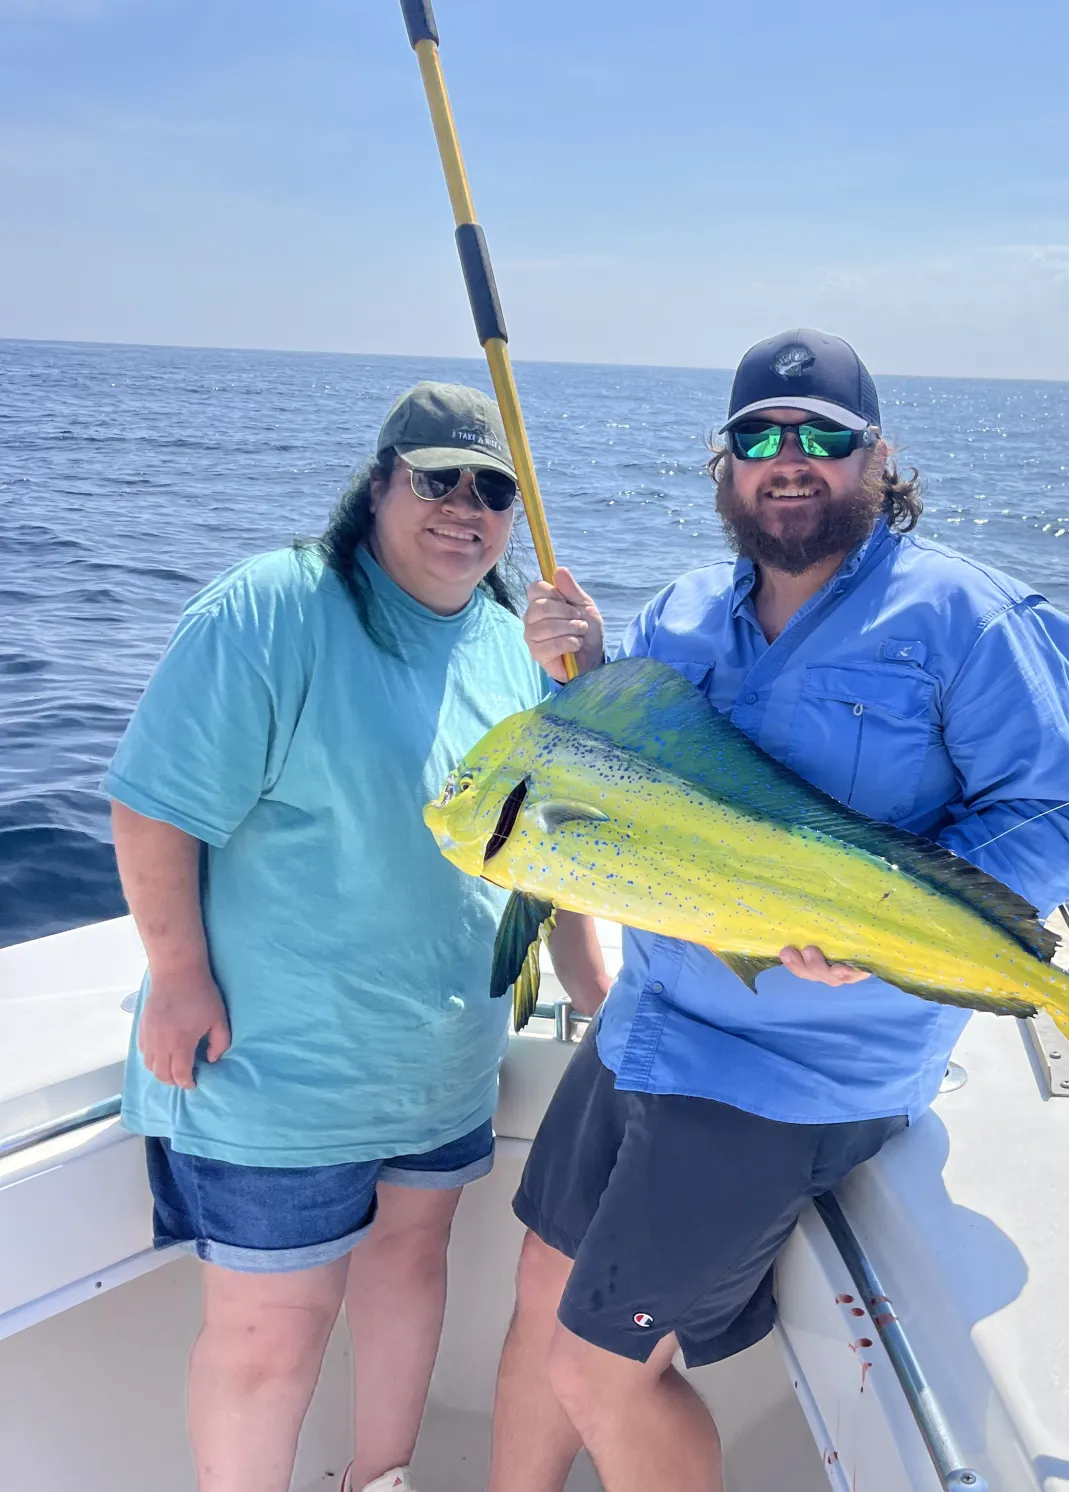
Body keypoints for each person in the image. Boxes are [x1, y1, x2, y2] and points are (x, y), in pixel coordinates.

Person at [498, 329, 1069, 1492]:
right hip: (648, 1025)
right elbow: (631, 786)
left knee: (599, 1371)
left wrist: (878, 932)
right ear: (724, 466)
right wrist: (581, 671)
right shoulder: (678, 614)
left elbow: (1053, 825)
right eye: (761, 437)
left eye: (824, 437)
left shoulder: (969, 619)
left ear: (880, 459)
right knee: (535, 1300)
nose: (791, 460)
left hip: (792, 1072)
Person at [106, 382, 610, 1492]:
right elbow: (151, 806)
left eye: (493, 489)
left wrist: (598, 992)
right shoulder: (272, 607)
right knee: (270, 1333)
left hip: (437, 1065)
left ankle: (381, 1481)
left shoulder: (517, 646)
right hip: (273, 1069)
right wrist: (178, 977)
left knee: (410, 1271)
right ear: (379, 483)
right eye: (438, 479)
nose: (464, 507)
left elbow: (558, 856)